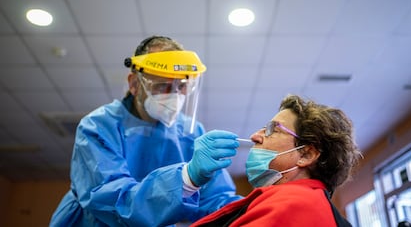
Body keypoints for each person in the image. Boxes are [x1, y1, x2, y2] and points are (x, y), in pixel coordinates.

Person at [50, 36, 242, 226]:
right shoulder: (98, 127)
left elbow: (214, 201)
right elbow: (114, 202)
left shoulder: (190, 131)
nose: (174, 95)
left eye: (181, 86)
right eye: (162, 85)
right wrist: (185, 178)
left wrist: (251, 207)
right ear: (134, 84)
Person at [191, 94, 361, 227]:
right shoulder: (304, 203)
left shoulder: (296, 205)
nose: (255, 136)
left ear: (306, 155)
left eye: (272, 129)